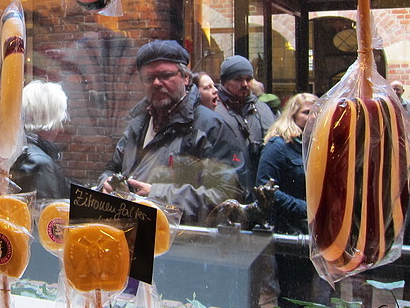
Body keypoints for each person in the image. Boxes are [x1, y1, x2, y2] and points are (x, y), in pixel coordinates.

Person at [102, 40, 245, 225]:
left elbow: (229, 197)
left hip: (182, 245)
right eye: (148, 78)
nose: (156, 83)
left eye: (166, 75)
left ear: (185, 78)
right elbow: (112, 169)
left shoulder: (210, 127)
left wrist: (157, 196)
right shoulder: (137, 125)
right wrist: (105, 185)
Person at [256, 93, 317, 234]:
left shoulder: (315, 146)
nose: (313, 117)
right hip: (285, 228)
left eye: (317, 112)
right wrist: (305, 208)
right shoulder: (278, 145)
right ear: (293, 115)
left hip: (310, 227)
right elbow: (265, 188)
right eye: (307, 112)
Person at [215, 56, 276, 199]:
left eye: (248, 79)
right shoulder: (213, 110)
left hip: (259, 192)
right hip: (227, 192)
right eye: (238, 79)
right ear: (224, 82)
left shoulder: (264, 110)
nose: (244, 84)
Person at [10, 80, 70, 199]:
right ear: (49, 120)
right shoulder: (40, 163)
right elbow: (44, 212)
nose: (61, 129)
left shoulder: (19, 150)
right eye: (59, 121)